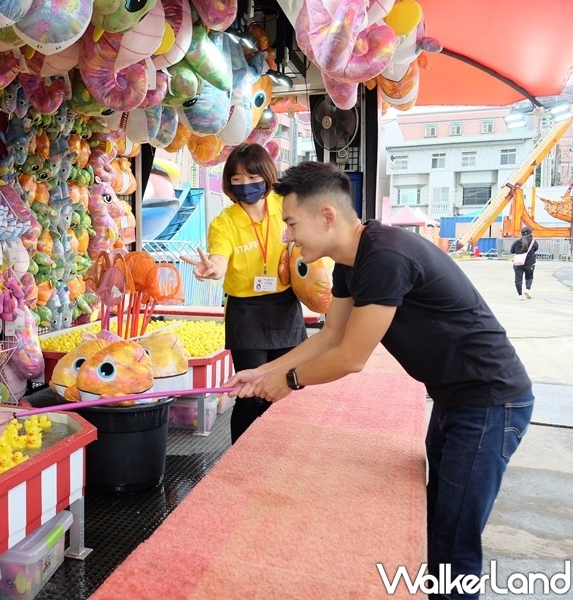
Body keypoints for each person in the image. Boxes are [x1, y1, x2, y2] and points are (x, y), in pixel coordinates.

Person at [228, 161, 533, 599]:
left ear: (327, 216)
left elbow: (351, 356)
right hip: (456, 399)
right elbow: (330, 334)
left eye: (292, 223)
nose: (288, 236)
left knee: (453, 536)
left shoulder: (384, 256)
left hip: (490, 402)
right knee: (438, 519)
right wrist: (266, 371)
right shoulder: (353, 259)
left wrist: (289, 382)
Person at [180, 143, 307, 443]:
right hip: (246, 313)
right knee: (252, 395)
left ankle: (279, 451)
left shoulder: (284, 206)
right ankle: (241, 460)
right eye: (237, 180)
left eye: (252, 178)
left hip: (285, 307)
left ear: (267, 175)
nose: (245, 186)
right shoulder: (224, 223)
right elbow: (220, 257)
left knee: (287, 390)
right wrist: (213, 268)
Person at [510, 226, 538, 299]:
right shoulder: (533, 242)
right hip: (530, 263)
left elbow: (512, 251)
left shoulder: (517, 242)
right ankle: (527, 289)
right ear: (530, 233)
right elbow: (536, 248)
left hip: (518, 263)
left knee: (518, 279)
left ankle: (520, 295)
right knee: (529, 277)